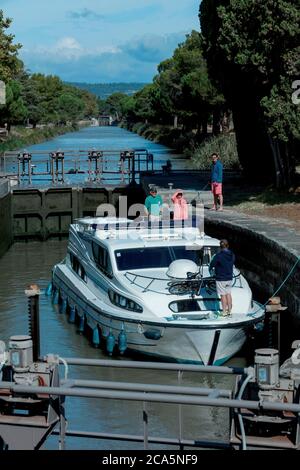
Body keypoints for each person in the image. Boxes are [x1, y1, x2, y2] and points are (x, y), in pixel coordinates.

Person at [209, 239, 235, 316]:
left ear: (220, 247)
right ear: (228, 246)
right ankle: (229, 311)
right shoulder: (232, 254)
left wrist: (211, 268)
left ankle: (224, 312)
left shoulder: (218, 256)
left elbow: (212, 264)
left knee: (223, 295)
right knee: (228, 293)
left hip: (221, 278)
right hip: (229, 278)